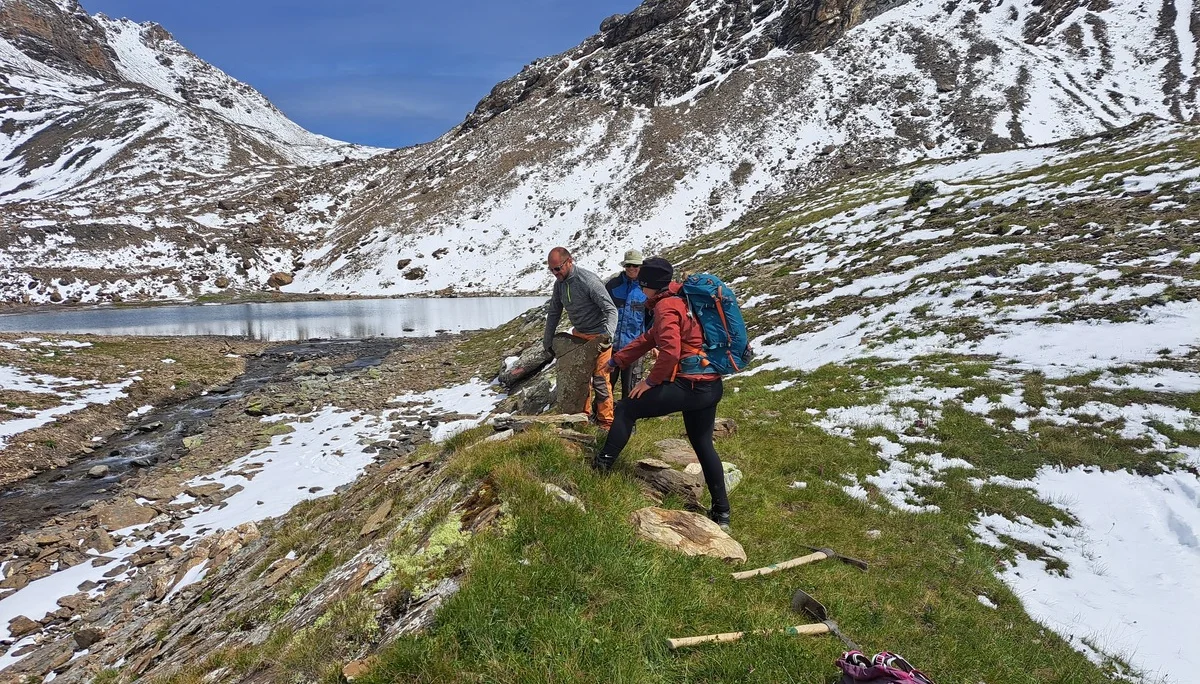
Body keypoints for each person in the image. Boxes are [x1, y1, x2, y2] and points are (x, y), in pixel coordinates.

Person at [593, 257, 732, 530]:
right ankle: (722, 513)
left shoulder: (666, 307)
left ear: (650, 285)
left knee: (626, 408)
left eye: (643, 283)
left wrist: (650, 382)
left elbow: (669, 351)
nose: (640, 288)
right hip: (710, 385)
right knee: (703, 444)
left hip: (688, 387)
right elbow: (650, 338)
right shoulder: (681, 297)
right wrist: (617, 360)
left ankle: (601, 467)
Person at [543, 247, 619, 429]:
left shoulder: (588, 281)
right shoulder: (559, 285)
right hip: (579, 337)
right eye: (551, 270)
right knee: (579, 380)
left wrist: (607, 336)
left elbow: (611, 309)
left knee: (601, 380)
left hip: (600, 338)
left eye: (558, 268)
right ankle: (582, 419)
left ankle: (606, 423)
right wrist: (547, 341)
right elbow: (554, 312)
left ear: (570, 261)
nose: (555, 273)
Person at [605, 249, 650, 400]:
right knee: (606, 384)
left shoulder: (647, 289)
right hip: (612, 347)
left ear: (641, 267)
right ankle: (602, 418)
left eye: (635, 266)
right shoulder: (612, 286)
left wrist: (653, 343)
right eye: (628, 265)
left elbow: (652, 318)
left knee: (631, 387)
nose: (631, 268)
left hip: (635, 348)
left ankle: (629, 421)